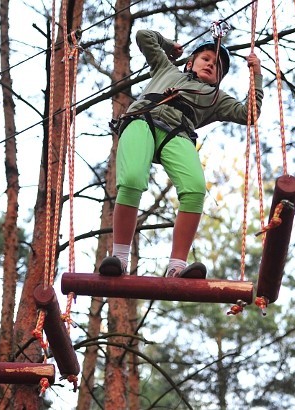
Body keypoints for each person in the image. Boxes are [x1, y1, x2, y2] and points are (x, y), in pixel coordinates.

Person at [99, 29, 263, 279]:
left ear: (218, 78)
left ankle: (176, 266)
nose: (210, 64)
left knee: (196, 188)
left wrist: (257, 75)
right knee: (132, 178)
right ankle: (120, 258)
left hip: (178, 133)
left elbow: (248, 114)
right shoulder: (166, 69)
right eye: (205, 58)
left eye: (216, 65)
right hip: (143, 120)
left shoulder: (216, 97)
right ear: (190, 62)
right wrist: (169, 46)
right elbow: (144, 36)